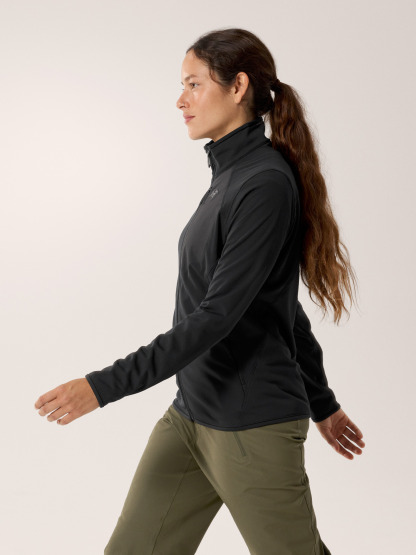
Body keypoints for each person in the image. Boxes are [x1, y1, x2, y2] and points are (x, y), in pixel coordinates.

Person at [34, 27, 366, 555]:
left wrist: (101, 386)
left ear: (238, 87)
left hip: (251, 426)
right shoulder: (229, 175)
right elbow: (277, 305)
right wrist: (323, 401)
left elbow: (217, 317)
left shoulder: (263, 183)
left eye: (194, 84)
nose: (181, 99)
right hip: (190, 416)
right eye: (182, 85)